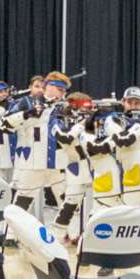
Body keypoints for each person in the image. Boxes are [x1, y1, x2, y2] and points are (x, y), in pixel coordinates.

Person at [9, 72, 68, 217]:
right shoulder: (28, 102)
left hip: (57, 162)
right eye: (60, 89)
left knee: (67, 203)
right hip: (34, 161)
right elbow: (6, 124)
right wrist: (28, 113)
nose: (63, 93)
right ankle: (11, 237)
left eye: (64, 91)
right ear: (49, 86)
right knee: (22, 202)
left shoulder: (64, 107)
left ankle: (67, 236)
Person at [51, 90, 95, 243]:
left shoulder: (91, 121)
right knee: (69, 203)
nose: (86, 112)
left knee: (93, 205)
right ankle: (57, 236)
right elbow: (65, 138)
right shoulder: (58, 121)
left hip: (90, 165)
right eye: (83, 108)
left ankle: (82, 236)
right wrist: (80, 124)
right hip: (67, 167)